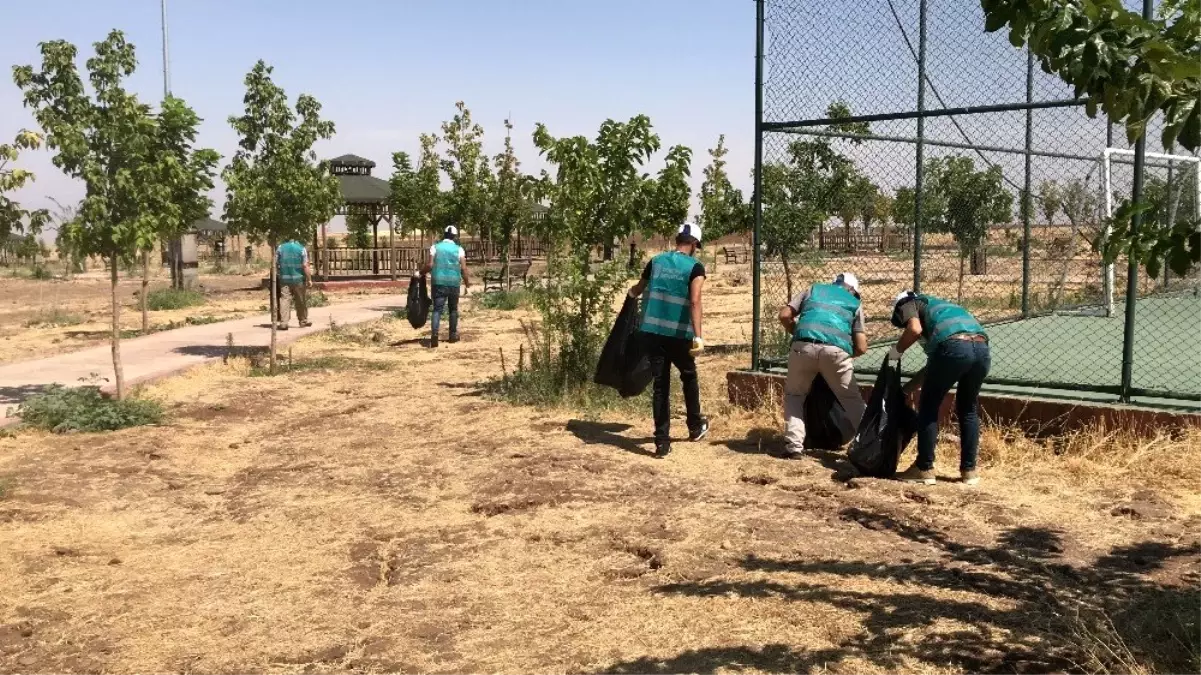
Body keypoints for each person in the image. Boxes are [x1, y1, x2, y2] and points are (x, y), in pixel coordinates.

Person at [888, 291, 990, 486]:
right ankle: (969, 471)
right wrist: (906, 389)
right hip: (982, 349)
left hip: (954, 347)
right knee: (968, 409)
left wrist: (894, 353)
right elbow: (934, 366)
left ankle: (924, 468)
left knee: (928, 407)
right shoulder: (943, 308)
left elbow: (915, 330)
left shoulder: (909, 302)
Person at [628, 222, 709, 457]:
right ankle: (694, 426)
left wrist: (630, 296)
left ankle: (662, 442)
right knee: (688, 375)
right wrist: (698, 336)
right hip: (677, 335)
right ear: (694, 244)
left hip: (652, 333)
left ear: (678, 240)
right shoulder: (695, 267)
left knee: (660, 386)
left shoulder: (655, 262)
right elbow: (695, 301)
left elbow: (639, 289)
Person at [777, 273, 868, 458]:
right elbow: (861, 346)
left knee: (795, 395)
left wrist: (797, 333)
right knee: (852, 400)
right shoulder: (855, 303)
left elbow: (784, 315)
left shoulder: (813, 289)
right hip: (836, 352)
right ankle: (870, 443)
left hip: (802, 347)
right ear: (853, 290)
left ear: (834, 283)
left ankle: (794, 447)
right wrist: (844, 353)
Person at [422, 225, 470, 348]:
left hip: (438, 282)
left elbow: (430, 265)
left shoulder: (435, 247)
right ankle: (452, 335)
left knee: (437, 309)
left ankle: (434, 336)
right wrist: (467, 283)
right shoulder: (459, 249)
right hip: (454, 283)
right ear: (454, 236)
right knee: (453, 309)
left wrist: (420, 273)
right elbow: (464, 268)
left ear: (444, 234)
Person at [275, 238, 311, 331]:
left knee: (284, 300)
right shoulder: (301, 249)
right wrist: (309, 279)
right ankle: (303, 321)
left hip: (284, 279)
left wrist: (278, 274)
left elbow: (275, 263)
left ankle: (284, 323)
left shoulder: (280, 248)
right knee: (300, 300)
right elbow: (305, 265)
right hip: (298, 280)